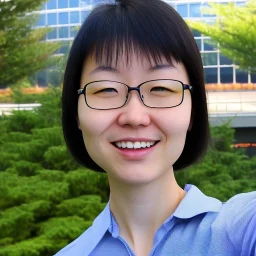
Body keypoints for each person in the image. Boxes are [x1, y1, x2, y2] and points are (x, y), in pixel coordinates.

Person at [55, 0, 256, 255]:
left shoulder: (241, 230)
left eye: (161, 88)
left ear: (193, 110)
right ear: (76, 113)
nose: (135, 116)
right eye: (107, 89)